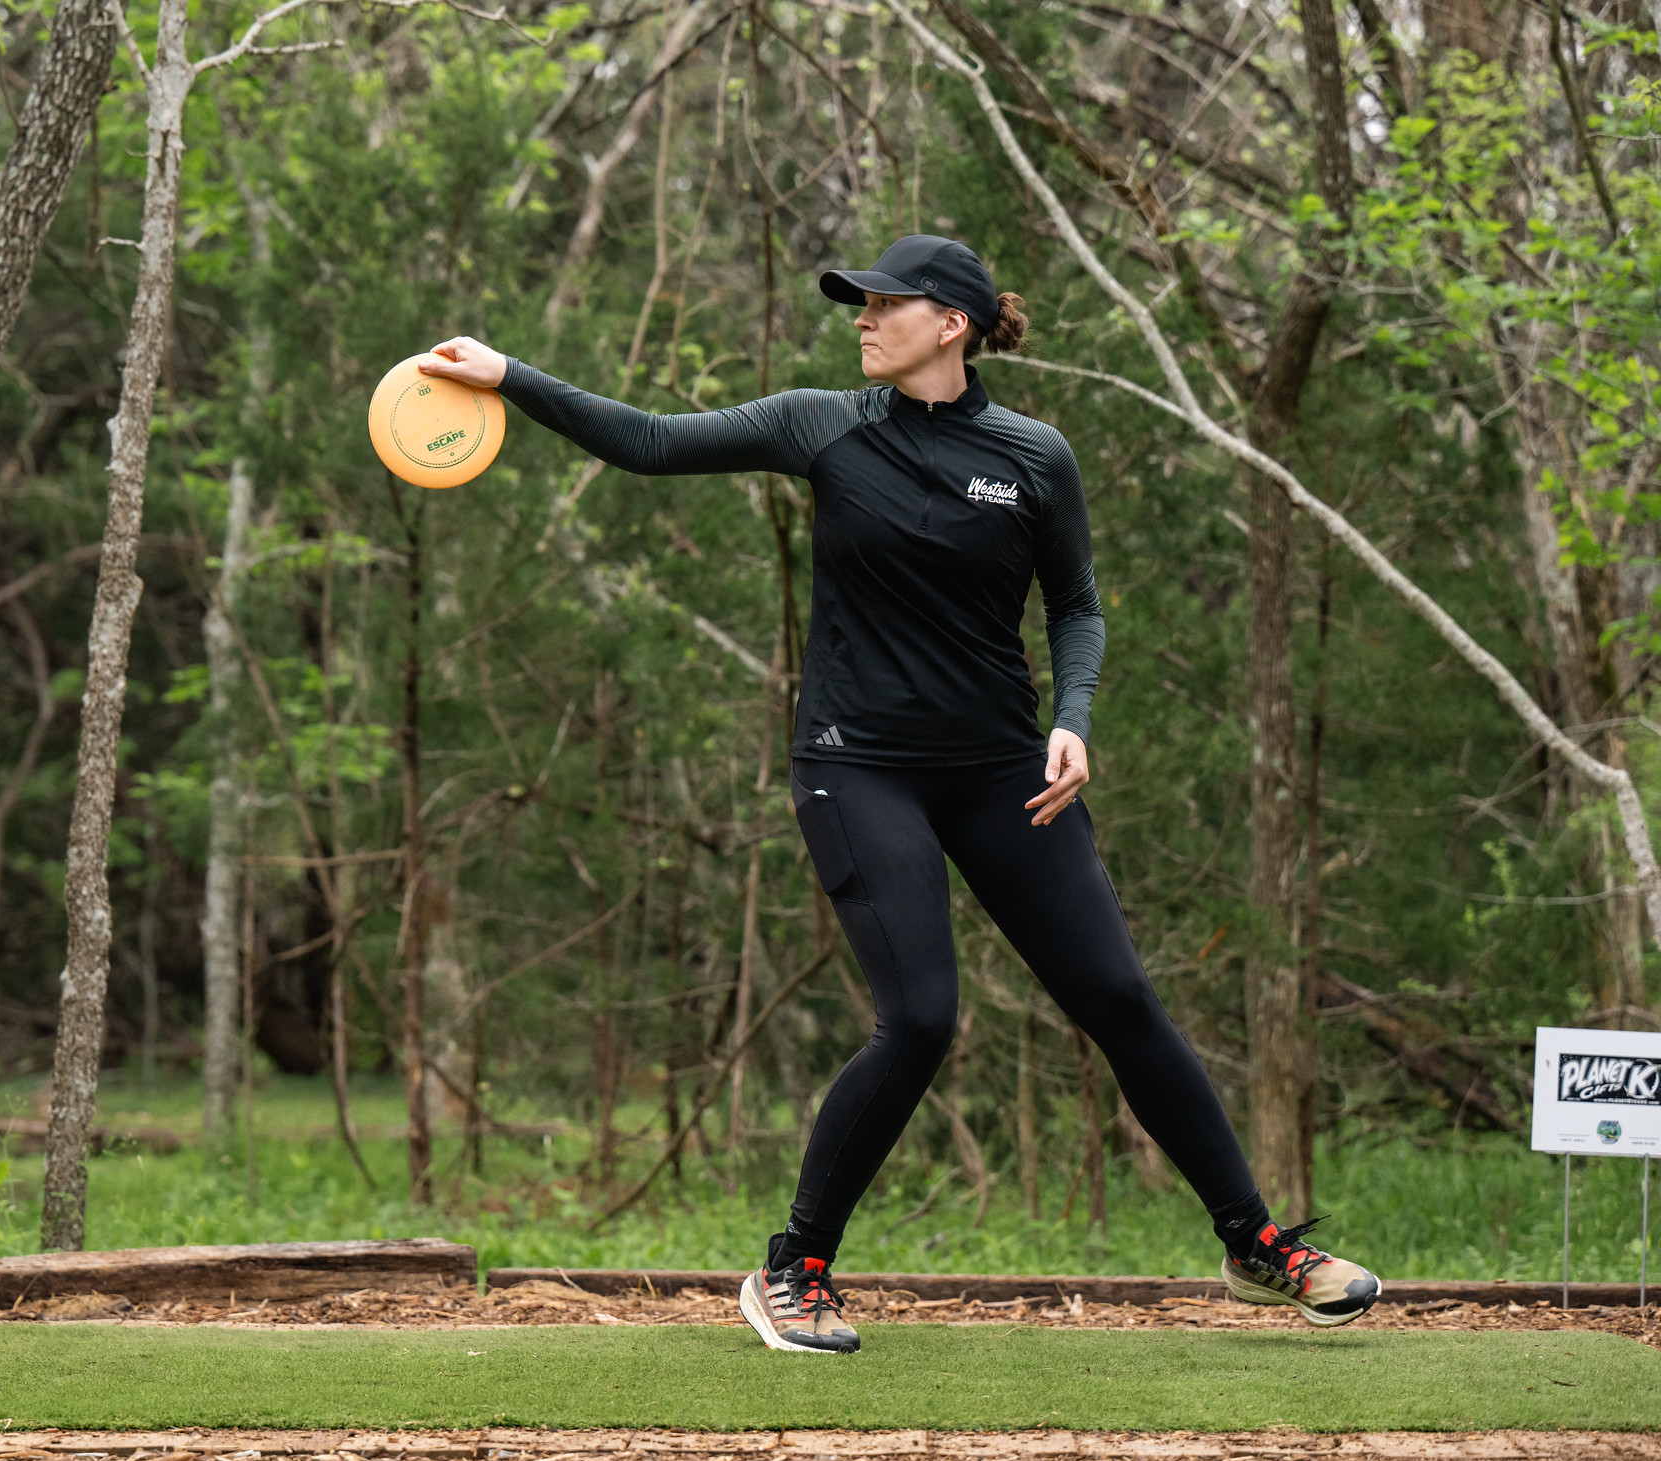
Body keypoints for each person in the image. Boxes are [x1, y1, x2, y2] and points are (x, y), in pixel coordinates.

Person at [419, 234, 1380, 1355]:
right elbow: (647, 443)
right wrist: (509, 376)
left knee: (1118, 997)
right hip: (855, 762)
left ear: (952, 324)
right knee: (920, 1013)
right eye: (857, 303)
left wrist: (1071, 716)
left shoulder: (1031, 456)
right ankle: (797, 1264)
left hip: (1000, 771)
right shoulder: (817, 424)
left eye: (884, 302)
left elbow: (1075, 604)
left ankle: (1258, 1244)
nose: (862, 318)